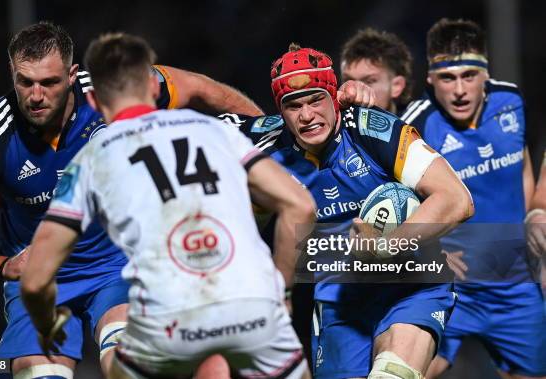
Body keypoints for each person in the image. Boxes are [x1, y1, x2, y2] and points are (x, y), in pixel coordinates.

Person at [0, 21, 264, 378]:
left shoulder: (113, 90)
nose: (36, 95)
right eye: (25, 82)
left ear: (73, 74)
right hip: (40, 277)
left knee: (130, 366)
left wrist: (268, 137)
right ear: (11, 74)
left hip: (116, 264)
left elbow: (199, 88)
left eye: (49, 82)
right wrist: (1, 266)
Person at [20, 32, 315, 379]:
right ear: (155, 88)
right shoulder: (215, 131)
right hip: (253, 309)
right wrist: (282, 289)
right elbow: (300, 206)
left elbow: (35, 280)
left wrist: (47, 325)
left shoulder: (90, 161)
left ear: (94, 101)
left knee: (117, 366)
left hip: (167, 323)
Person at [219, 43, 473, 379]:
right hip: (338, 296)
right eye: (293, 106)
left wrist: (386, 245)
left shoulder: (373, 129)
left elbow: (457, 199)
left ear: (335, 96)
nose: (307, 115)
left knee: (392, 374)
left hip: (410, 283)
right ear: (280, 112)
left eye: (315, 100)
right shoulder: (267, 149)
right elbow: (204, 107)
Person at [401, 19, 546, 379]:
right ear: (431, 80)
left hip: (516, 289)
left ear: (486, 72)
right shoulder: (412, 127)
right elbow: (392, 206)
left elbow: (522, 168)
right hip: (451, 290)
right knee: (405, 371)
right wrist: (427, 253)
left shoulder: (510, 101)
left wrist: (535, 213)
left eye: (470, 75)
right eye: (448, 78)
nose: (460, 90)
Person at [340, 28, 413, 115]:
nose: (355, 91)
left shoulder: (419, 123)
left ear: (396, 86)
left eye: (369, 81)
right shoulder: (329, 124)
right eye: (348, 80)